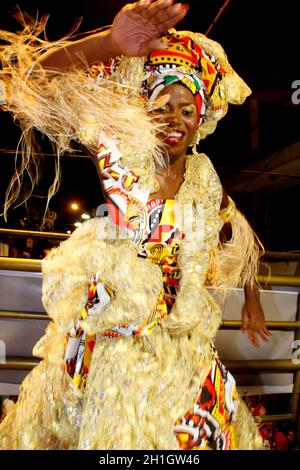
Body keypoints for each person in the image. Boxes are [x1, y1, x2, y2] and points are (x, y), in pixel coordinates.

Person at [0, 0, 270, 450]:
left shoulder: (204, 178)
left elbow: (237, 233)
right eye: (163, 105)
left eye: (188, 110)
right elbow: (32, 82)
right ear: (145, 110)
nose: (175, 120)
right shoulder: (121, 153)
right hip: (115, 337)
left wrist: (253, 300)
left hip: (181, 339)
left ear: (200, 119)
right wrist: (108, 42)